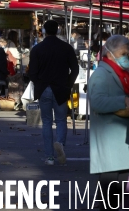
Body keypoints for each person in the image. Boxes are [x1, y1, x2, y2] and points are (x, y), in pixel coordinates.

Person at [88, 35, 129, 210]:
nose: (127, 57)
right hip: (110, 146)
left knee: (117, 198)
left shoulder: (121, 74)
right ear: (110, 54)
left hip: (121, 146)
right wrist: (123, 100)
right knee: (109, 196)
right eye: (123, 53)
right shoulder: (102, 74)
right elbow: (97, 102)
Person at [27, 20, 79, 166]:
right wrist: (68, 84)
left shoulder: (37, 49)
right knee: (61, 120)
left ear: (44, 31)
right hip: (61, 88)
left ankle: (49, 156)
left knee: (47, 122)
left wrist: (38, 83)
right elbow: (75, 69)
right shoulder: (66, 48)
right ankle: (60, 143)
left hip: (43, 88)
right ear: (58, 30)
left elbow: (32, 72)